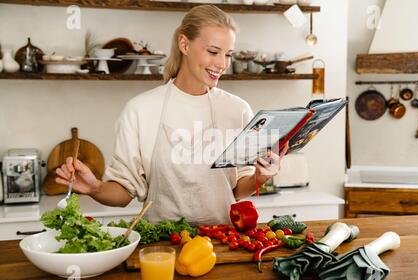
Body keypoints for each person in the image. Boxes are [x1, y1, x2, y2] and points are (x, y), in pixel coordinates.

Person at [55, 5, 288, 226]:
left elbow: (237, 189)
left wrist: (261, 176)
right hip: (162, 244)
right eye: (213, 52)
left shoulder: (238, 109)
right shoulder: (140, 110)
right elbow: (124, 192)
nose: (222, 64)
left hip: (221, 240)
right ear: (184, 45)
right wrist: (95, 188)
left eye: (228, 54)